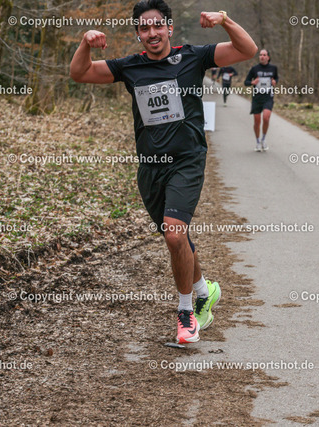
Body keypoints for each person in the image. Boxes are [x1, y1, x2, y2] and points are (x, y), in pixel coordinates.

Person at [70, 0, 257, 344]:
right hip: (150, 167)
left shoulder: (193, 57)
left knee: (173, 234)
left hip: (187, 161)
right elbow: (79, 73)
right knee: (177, 238)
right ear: (138, 34)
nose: (152, 33)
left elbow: (247, 50)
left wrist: (224, 20)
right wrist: (85, 43)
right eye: (144, 28)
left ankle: (186, 314)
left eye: (158, 25)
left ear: (169, 27)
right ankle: (205, 291)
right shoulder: (129, 67)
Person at [244, 49, 278, 151]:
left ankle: (263, 139)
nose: (262, 57)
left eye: (264, 55)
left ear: (268, 57)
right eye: (260, 55)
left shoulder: (273, 68)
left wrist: (275, 82)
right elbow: (246, 82)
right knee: (257, 121)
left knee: (266, 118)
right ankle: (258, 141)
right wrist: (252, 82)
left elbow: (276, 78)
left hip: (268, 97)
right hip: (257, 98)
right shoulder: (254, 69)